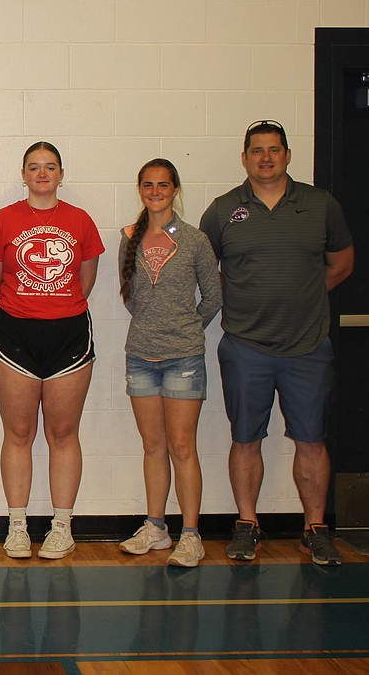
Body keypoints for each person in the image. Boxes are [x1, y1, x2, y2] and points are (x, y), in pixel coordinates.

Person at [200, 120, 354, 566]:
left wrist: (303, 294)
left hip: (308, 346)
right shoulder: (224, 209)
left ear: (287, 155)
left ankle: (314, 528)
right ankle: (247, 524)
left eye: (274, 150)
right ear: (244, 157)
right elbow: (206, 269)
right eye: (257, 150)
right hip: (246, 345)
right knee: (246, 439)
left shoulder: (319, 204)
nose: (265, 158)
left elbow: (342, 263)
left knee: (311, 440)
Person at [0, 141, 104, 560]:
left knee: (63, 433)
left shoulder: (80, 221)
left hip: (69, 334)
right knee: (18, 433)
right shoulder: (3, 220)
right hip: (15, 334)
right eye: (34, 167)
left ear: (61, 174)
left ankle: (62, 526)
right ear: (24, 173)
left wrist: (56, 305)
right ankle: (17, 526)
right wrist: (26, 307)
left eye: (50, 167)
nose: (42, 174)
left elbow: (86, 281)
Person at [117, 158, 222, 568]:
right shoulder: (129, 238)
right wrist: (152, 325)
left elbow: (213, 297)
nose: (156, 191)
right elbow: (129, 297)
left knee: (182, 446)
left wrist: (185, 329)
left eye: (163, 184)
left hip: (184, 357)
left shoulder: (195, 240)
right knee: (153, 446)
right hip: (140, 355)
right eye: (148, 184)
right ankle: (156, 526)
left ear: (176, 189)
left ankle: (191, 534)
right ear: (139, 189)